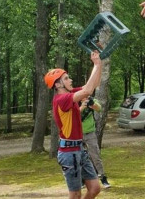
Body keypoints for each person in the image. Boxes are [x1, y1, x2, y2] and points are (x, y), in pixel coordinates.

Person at [44, 51, 102, 199]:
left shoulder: (70, 94)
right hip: (69, 153)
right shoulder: (61, 99)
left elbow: (93, 84)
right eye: (66, 78)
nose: (70, 80)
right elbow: (88, 90)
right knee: (75, 195)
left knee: (95, 188)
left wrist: (99, 63)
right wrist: (96, 64)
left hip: (79, 149)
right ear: (58, 84)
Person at [80, 97, 111, 189]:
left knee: (95, 156)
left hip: (90, 133)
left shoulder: (92, 100)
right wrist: (82, 106)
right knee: (79, 157)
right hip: (77, 134)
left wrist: (91, 103)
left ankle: (102, 177)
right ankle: (82, 179)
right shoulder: (75, 101)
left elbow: (98, 108)